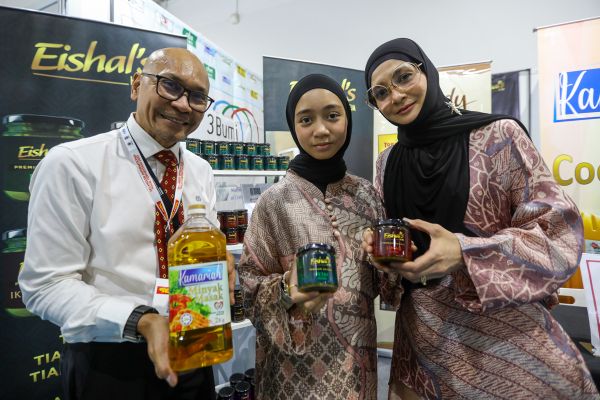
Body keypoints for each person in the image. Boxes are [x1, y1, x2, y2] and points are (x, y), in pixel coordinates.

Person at [362, 38, 599, 400]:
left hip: (502, 339)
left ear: (427, 72)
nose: (395, 95)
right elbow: (397, 253)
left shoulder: (498, 137)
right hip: (422, 342)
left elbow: (557, 233)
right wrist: (382, 257)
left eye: (404, 77)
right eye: (381, 92)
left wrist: (464, 251)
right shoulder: (387, 162)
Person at [19, 47, 235, 400]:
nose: (183, 104)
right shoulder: (73, 164)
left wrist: (218, 262)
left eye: (197, 97)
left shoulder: (200, 170)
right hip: (111, 363)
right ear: (137, 85)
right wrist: (141, 320)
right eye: (170, 85)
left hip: (195, 347)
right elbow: (46, 285)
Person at [238, 74, 389, 399]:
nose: (321, 130)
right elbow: (249, 288)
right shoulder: (274, 202)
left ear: (347, 119)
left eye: (332, 115)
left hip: (357, 364)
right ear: (294, 126)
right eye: (306, 119)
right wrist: (285, 290)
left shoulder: (367, 196)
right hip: (293, 371)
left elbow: (381, 286)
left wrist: (390, 264)